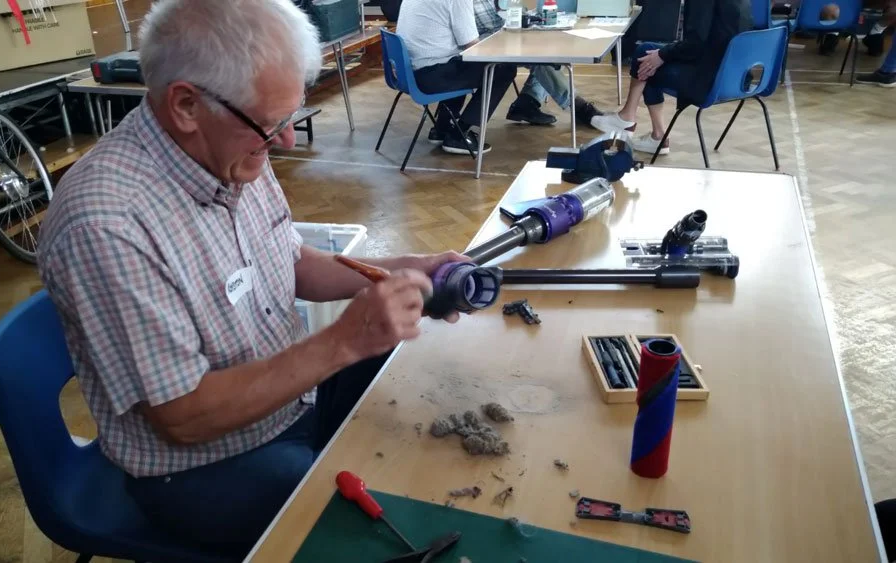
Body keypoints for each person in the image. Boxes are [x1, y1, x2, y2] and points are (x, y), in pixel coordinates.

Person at [36, 0, 467, 557]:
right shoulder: (106, 224)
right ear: (186, 105)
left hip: (290, 404)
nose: (285, 141)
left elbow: (292, 263)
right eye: (271, 125)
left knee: (419, 397)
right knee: (384, 525)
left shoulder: (230, 147)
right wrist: (344, 341)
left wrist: (405, 269)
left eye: (288, 118)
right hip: (200, 467)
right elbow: (183, 418)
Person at [589, 0, 754, 156]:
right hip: (737, 78)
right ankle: (633, 121)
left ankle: (647, 129)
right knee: (649, 53)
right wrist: (663, 54)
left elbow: (695, 45)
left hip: (711, 80)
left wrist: (662, 55)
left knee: (647, 58)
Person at [396, 0, 518, 155]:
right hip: (431, 76)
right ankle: (461, 134)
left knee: (459, 61)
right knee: (504, 69)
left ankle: (442, 128)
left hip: (408, 74)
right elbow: (472, 46)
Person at [473, 0, 604, 128]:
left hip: (506, 39)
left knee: (552, 49)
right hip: (487, 47)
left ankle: (527, 103)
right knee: (543, 59)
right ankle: (579, 107)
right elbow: (489, 30)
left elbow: (509, 13)